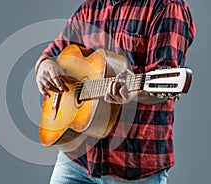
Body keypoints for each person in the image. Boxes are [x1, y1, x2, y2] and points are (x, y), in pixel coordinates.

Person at [35, 0, 196, 183]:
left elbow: (161, 84)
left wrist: (133, 93)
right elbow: (53, 53)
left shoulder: (166, 6)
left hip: (132, 166)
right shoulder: (92, 6)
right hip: (76, 158)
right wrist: (43, 65)